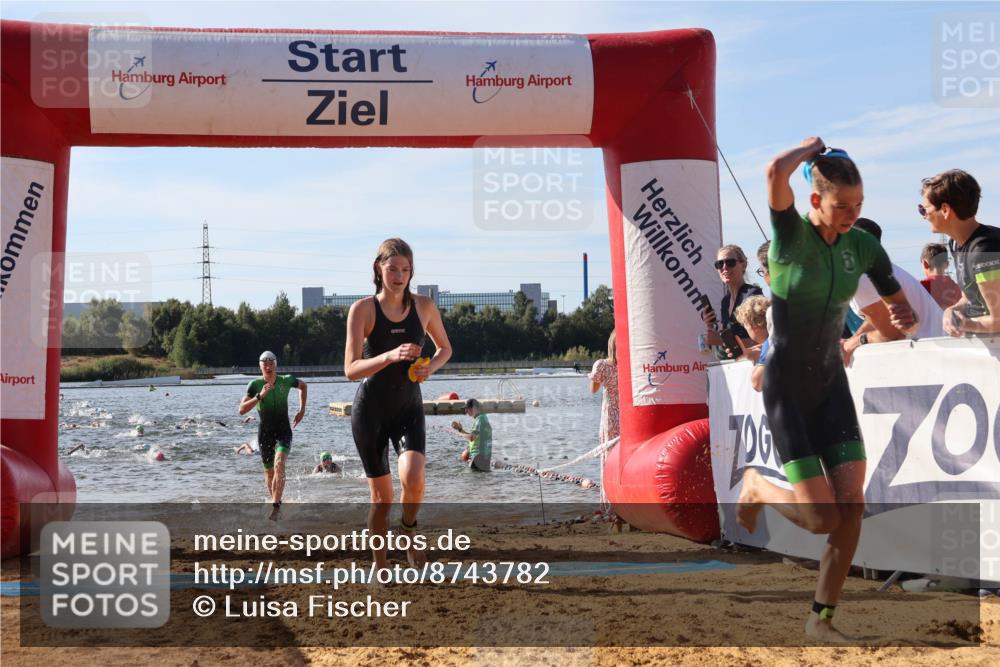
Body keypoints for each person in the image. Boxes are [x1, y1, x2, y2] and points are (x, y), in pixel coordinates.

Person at [737, 138, 918, 643]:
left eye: (859, 206)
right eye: (842, 206)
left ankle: (821, 619)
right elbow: (775, 169)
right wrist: (810, 148)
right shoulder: (790, 234)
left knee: (851, 509)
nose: (851, 214)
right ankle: (757, 485)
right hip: (788, 389)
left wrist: (901, 317)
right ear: (815, 200)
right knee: (820, 518)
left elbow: (892, 315)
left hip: (830, 384)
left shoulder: (863, 245)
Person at [345, 238, 452, 571]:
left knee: (414, 476)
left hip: (408, 408)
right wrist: (389, 355)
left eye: (406, 270)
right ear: (379, 268)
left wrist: (428, 368)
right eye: (393, 269)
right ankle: (380, 565)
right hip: (371, 413)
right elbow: (350, 369)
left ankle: (407, 528)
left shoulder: (424, 307)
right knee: (382, 499)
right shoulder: (363, 309)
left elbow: (445, 349)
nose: (399, 276)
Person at [841, 218, 945, 365]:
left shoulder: (863, 275)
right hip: (933, 349)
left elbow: (894, 335)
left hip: (930, 353)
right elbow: (877, 318)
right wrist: (852, 340)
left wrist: (855, 342)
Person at [919, 169, 1000, 335]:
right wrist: (951, 311)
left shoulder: (984, 249)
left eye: (924, 209)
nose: (924, 216)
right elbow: (969, 298)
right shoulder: (956, 244)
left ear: (945, 210)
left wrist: (965, 325)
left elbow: (998, 320)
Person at [238, 350, 308, 520]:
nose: (268, 366)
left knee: (279, 463)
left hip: (284, 430)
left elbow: (303, 386)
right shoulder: (254, 385)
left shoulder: (286, 380)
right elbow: (242, 410)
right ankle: (276, 501)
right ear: (260, 366)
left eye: (271, 363)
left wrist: (301, 410)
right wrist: (260, 396)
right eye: (265, 363)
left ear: (276, 364)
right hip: (265, 433)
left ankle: (275, 507)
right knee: (269, 472)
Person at [702, 245, 764, 359]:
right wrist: (710, 326)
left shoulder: (752, 295)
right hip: (734, 367)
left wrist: (720, 340)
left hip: (752, 366)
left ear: (743, 265)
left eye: (730, 262)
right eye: (719, 264)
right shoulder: (725, 301)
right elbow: (731, 340)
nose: (724, 268)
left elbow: (764, 340)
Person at [734, 295, 770, 392]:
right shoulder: (776, 337)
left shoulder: (770, 342)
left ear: (752, 326)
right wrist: (749, 354)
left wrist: (756, 359)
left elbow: (757, 383)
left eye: (745, 326)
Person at [451, 399, 493, 472]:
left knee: (472, 481)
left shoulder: (480, 420)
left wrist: (460, 434)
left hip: (478, 457)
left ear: (473, 408)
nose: (466, 411)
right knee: (481, 480)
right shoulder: (482, 418)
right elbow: (474, 437)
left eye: (467, 409)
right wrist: (460, 429)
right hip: (483, 457)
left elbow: (471, 437)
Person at [919, 242, 962, 309]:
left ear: (925, 264)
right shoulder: (957, 288)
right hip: (952, 319)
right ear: (947, 264)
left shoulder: (922, 286)